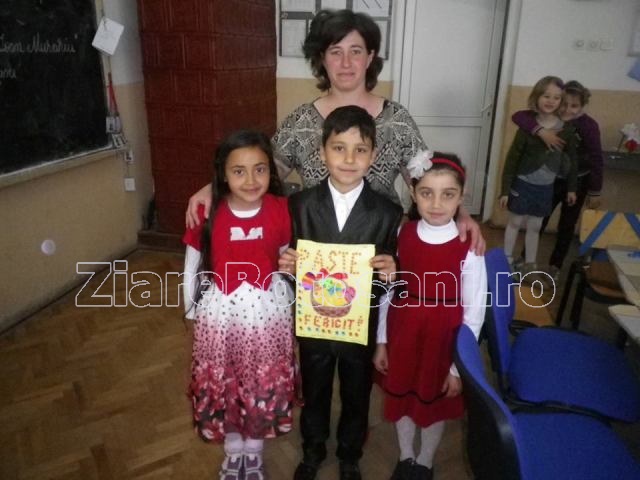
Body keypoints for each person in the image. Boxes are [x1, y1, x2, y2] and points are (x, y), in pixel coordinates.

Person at [185, 9, 484, 253]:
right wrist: (214, 187)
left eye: (356, 51)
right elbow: (260, 169)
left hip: (379, 249)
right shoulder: (302, 121)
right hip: (315, 249)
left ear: (370, 57)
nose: (346, 63)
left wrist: (461, 215)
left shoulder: (397, 120)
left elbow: (429, 181)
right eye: (335, 52)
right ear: (322, 58)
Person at [278, 105, 403, 480]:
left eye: (360, 150)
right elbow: (288, 262)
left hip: (359, 325)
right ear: (322, 152)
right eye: (338, 148)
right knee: (314, 390)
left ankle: (350, 453)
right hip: (314, 324)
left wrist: (392, 270)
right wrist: (288, 266)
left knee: (356, 392)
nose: (349, 159)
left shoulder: (387, 213)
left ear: (373, 156)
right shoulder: (299, 205)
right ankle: (312, 450)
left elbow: (389, 274)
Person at [182, 130, 296, 480]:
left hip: (268, 316)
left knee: (261, 384)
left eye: (260, 169)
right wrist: (191, 312)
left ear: (271, 171)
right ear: (222, 174)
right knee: (226, 383)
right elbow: (191, 266)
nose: (250, 180)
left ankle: (254, 452)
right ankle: (233, 452)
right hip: (220, 316)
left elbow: (283, 259)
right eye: (238, 171)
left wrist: (291, 275)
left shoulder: (281, 210)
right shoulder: (206, 211)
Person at [373, 152, 487, 480]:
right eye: (427, 193)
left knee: (433, 403)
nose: (436, 204)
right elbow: (390, 291)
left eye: (448, 194)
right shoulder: (403, 234)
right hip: (403, 333)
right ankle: (406, 456)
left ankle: (425, 460)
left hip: (443, 340)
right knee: (402, 397)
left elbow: (475, 312)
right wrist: (381, 341)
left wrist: (457, 367)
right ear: (413, 193)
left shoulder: (468, 245)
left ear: (461, 197)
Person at [511, 80, 603, 279]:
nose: (568, 110)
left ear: (583, 106)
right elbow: (518, 116)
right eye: (564, 104)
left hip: (577, 182)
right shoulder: (549, 119)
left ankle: (555, 266)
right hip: (551, 180)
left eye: (574, 106)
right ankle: (525, 260)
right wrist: (540, 130)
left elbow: (596, 158)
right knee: (539, 220)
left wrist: (595, 190)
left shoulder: (588, 125)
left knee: (567, 225)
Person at [499, 76, 578, 274]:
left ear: (561, 101)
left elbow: (572, 160)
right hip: (522, 184)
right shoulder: (527, 127)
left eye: (556, 97)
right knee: (515, 222)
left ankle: (530, 265)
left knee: (535, 226)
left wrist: (572, 188)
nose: (551, 101)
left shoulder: (566, 130)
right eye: (546, 96)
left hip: (545, 188)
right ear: (537, 96)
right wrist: (505, 190)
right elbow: (512, 159)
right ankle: (506, 259)